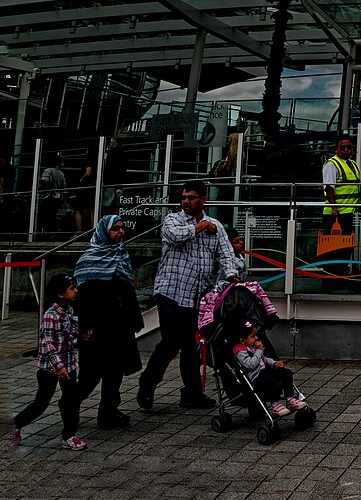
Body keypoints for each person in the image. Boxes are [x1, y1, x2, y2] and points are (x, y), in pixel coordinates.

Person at [136, 180, 235, 412]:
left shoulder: (217, 226)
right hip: (170, 291)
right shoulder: (173, 220)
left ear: (203, 200)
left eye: (191, 198)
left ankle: (192, 394)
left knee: (192, 345)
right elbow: (176, 236)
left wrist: (232, 276)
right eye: (183, 198)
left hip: (197, 295)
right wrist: (201, 227)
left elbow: (227, 255)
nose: (186, 202)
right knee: (171, 342)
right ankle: (147, 384)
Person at [74, 214, 143, 432]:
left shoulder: (121, 254)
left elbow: (127, 289)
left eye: (122, 228)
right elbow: (80, 296)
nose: (120, 232)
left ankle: (108, 412)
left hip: (118, 323)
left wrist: (134, 318)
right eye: (115, 229)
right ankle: (70, 404)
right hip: (97, 324)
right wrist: (84, 327)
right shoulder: (88, 258)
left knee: (115, 370)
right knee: (92, 372)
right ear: (105, 231)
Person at [10, 273, 84, 451]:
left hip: (68, 363)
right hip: (49, 366)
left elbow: (70, 338)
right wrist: (58, 367)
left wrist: (81, 337)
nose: (76, 291)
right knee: (41, 402)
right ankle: (18, 423)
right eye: (72, 288)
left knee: (71, 400)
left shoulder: (69, 311)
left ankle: (69, 435)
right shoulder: (50, 316)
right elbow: (49, 345)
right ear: (60, 293)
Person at [231, 319, 308, 418]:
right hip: (256, 378)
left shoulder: (254, 346)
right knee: (267, 382)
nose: (256, 338)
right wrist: (259, 351)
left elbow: (265, 359)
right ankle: (275, 404)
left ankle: (290, 398)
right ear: (242, 340)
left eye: (256, 335)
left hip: (265, 372)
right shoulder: (240, 351)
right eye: (253, 336)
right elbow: (250, 364)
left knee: (286, 373)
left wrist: (274, 363)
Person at [321, 134, 360, 239]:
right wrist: (334, 208)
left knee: (346, 245)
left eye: (349, 147)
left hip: (349, 213)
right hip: (336, 214)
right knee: (335, 247)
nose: (346, 150)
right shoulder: (332, 164)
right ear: (336, 149)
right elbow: (329, 188)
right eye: (342, 148)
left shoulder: (353, 164)